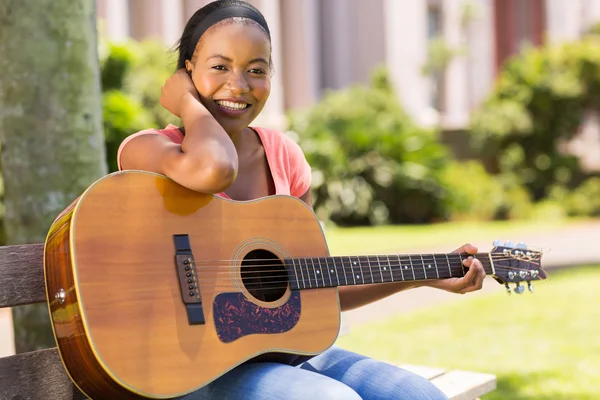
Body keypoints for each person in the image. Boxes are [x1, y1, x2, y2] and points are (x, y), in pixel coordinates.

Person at [118, 1, 486, 399]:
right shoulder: (147, 151)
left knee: (418, 394)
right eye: (219, 67)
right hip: (194, 367)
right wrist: (189, 105)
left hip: (282, 353)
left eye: (256, 70)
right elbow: (214, 169)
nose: (239, 85)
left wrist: (421, 276)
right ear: (186, 71)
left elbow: (315, 284)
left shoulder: (283, 157)